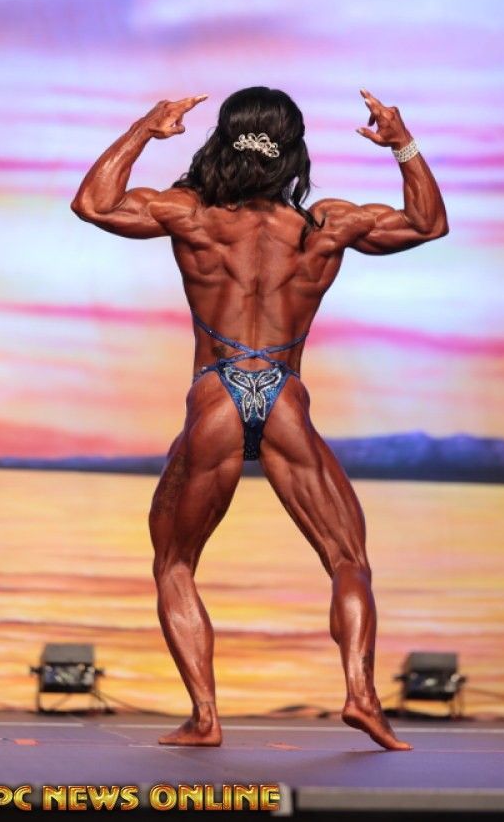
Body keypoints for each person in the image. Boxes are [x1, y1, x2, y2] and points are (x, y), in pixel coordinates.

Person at [71, 86, 448, 752]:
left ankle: (205, 717)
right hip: (285, 401)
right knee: (348, 559)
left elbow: (93, 204)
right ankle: (361, 696)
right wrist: (402, 145)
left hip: (215, 396)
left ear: (222, 142)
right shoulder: (326, 224)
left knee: (175, 564)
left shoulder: (191, 214)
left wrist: (146, 128)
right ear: (293, 152)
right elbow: (427, 224)